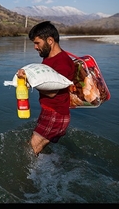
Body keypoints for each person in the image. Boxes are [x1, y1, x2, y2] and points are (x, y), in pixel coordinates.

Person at [17, 21, 75, 156]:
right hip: (50, 112)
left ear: (50, 40)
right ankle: (52, 169)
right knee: (40, 149)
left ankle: (27, 177)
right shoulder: (50, 58)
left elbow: (52, 93)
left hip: (56, 114)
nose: (35, 47)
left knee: (31, 150)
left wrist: (29, 81)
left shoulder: (62, 63)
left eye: (37, 43)